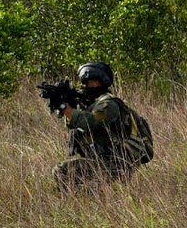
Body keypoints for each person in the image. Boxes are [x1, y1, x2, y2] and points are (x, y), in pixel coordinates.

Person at [53, 61, 153, 191]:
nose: (87, 86)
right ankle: (95, 197)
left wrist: (65, 107)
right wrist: (69, 106)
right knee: (64, 175)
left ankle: (91, 199)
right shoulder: (92, 104)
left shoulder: (109, 103)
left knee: (62, 172)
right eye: (86, 83)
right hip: (104, 160)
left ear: (102, 82)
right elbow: (77, 127)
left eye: (92, 82)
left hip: (117, 162)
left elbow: (91, 122)